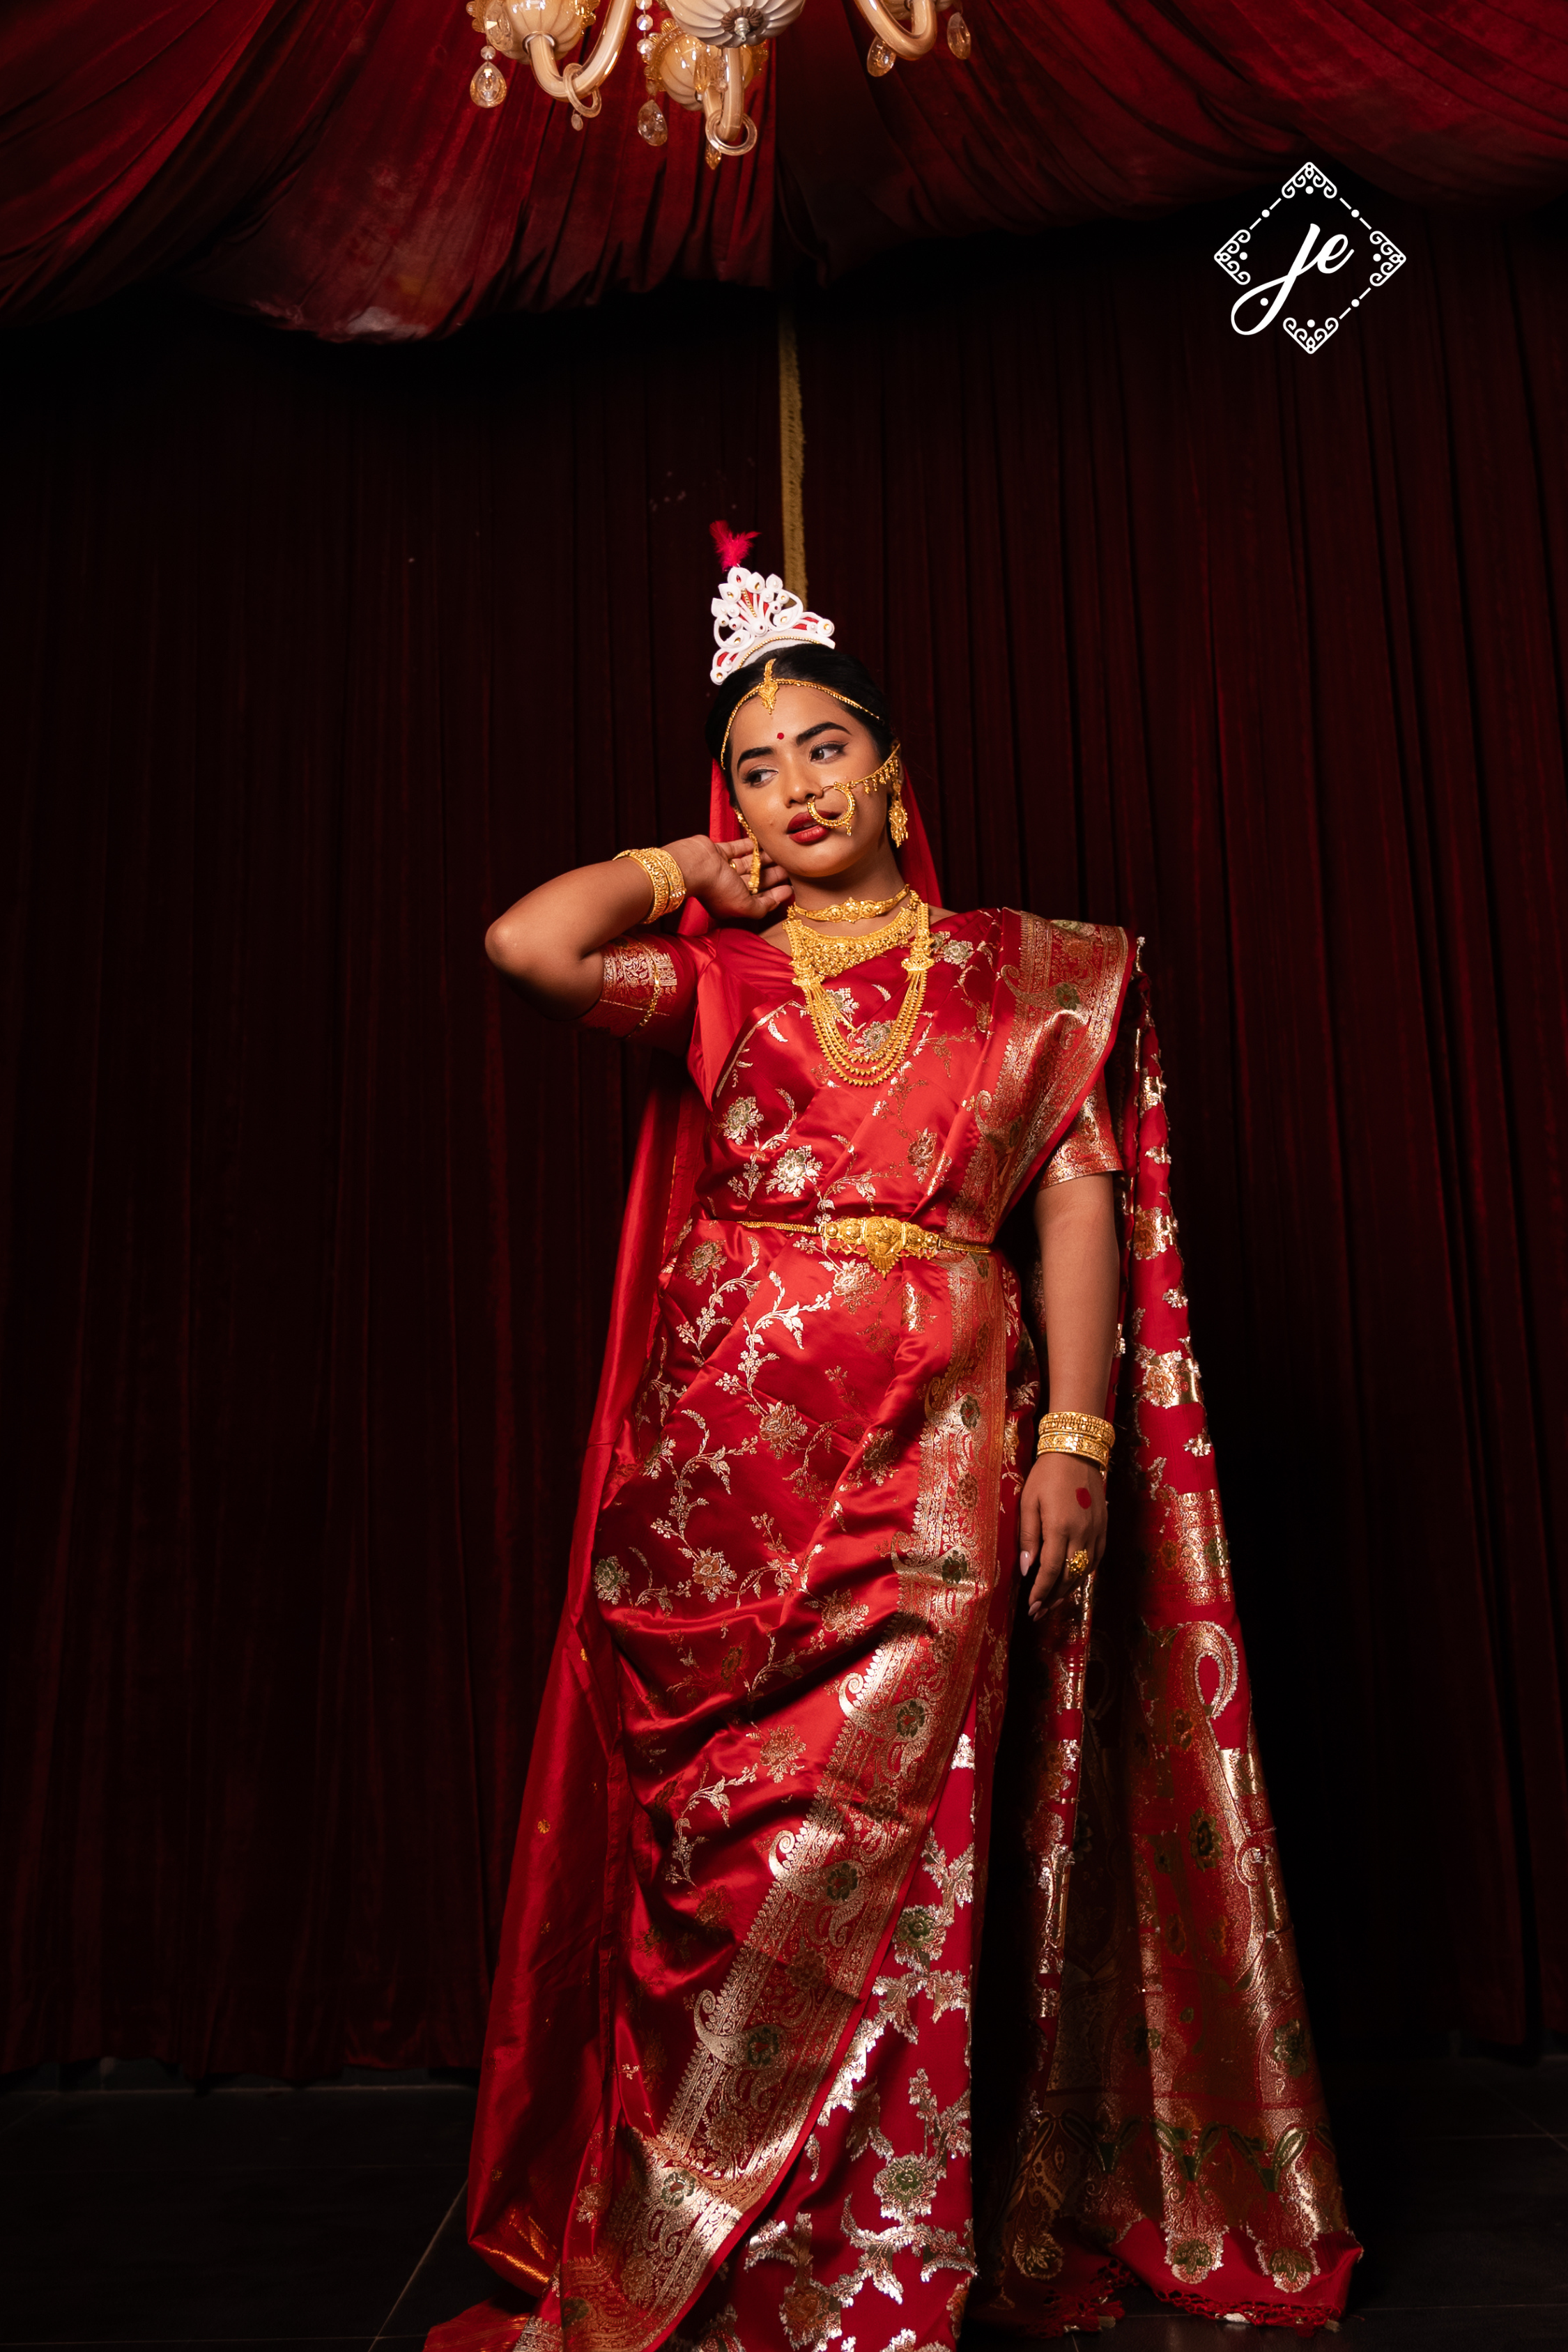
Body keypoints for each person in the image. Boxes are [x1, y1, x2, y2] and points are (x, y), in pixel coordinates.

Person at [431, 547, 1358, 2352]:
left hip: (938, 1474)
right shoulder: (716, 982)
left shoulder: (1032, 982)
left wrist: (1077, 1440)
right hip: (719, 1512)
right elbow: (523, 945)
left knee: (898, 1856)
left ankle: (874, 2260)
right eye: (760, 765)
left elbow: (1077, 1208)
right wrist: (680, 871)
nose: (799, 784)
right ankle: (696, 2236)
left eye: (827, 744)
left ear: (894, 767)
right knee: (727, 1871)